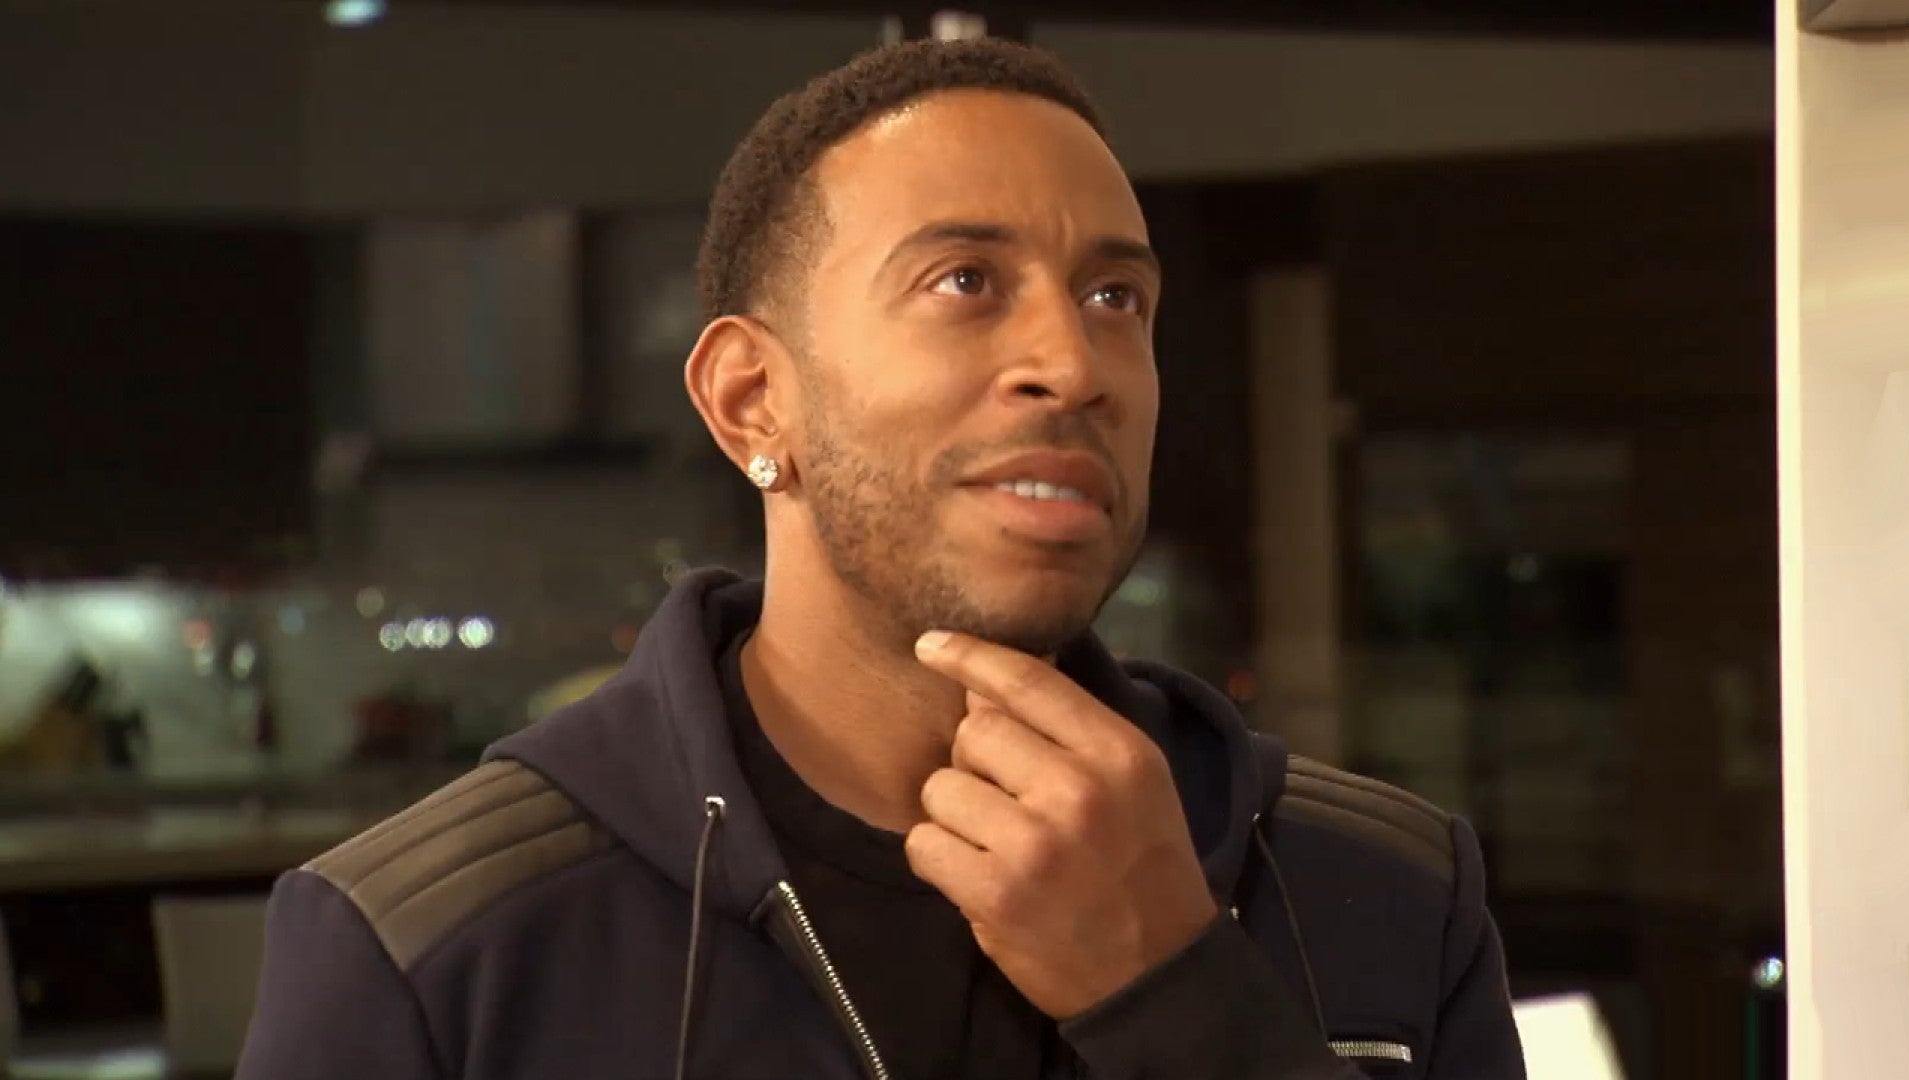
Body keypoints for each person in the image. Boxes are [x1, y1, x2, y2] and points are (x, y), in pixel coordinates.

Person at [237, 37, 1526, 1080]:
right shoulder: (430, 944)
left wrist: (1183, 1003)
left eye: (1115, 298)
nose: (1072, 364)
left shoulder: (1392, 890)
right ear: (752, 401)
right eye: (965, 281)